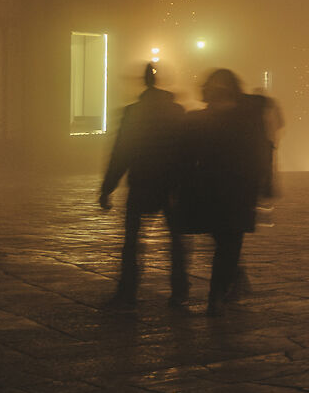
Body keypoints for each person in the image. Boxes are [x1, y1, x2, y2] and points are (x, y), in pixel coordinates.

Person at [177, 69, 268, 313]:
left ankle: (221, 290)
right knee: (228, 243)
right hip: (230, 190)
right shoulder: (245, 120)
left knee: (225, 242)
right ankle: (220, 291)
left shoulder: (198, 120)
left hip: (218, 189)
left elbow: (183, 158)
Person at [97, 63, 186, 310]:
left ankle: (127, 291)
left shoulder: (133, 113)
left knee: (132, 242)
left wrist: (108, 187)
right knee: (176, 242)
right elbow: (186, 151)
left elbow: (121, 152)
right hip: (171, 184)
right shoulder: (177, 111)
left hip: (142, 182)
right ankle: (179, 291)